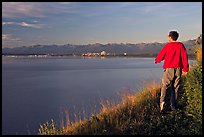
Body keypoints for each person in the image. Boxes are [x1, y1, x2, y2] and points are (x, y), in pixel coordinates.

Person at [155, 31, 189, 113]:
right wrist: (186, 69)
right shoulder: (181, 45)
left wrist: (157, 60)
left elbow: (161, 55)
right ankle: (173, 106)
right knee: (175, 87)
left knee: (165, 86)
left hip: (169, 69)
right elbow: (184, 57)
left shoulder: (168, 46)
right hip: (178, 69)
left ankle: (162, 103)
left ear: (169, 37)